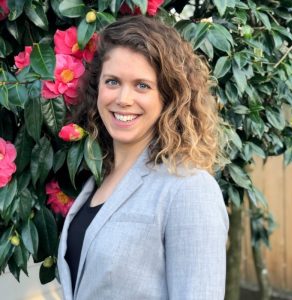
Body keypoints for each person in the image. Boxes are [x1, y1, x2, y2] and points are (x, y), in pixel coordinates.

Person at [57, 15, 229, 300]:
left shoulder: (189, 189)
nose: (124, 99)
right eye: (112, 81)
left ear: (167, 96)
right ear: (96, 88)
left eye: (142, 85)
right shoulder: (97, 181)